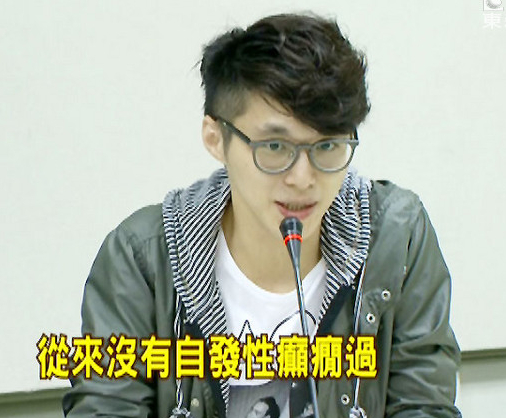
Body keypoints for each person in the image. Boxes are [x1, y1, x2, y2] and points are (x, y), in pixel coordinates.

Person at [63, 12, 461, 418]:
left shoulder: (396, 239)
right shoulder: (144, 258)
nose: (302, 179)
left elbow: (424, 406)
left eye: (327, 146)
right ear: (215, 138)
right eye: (274, 147)